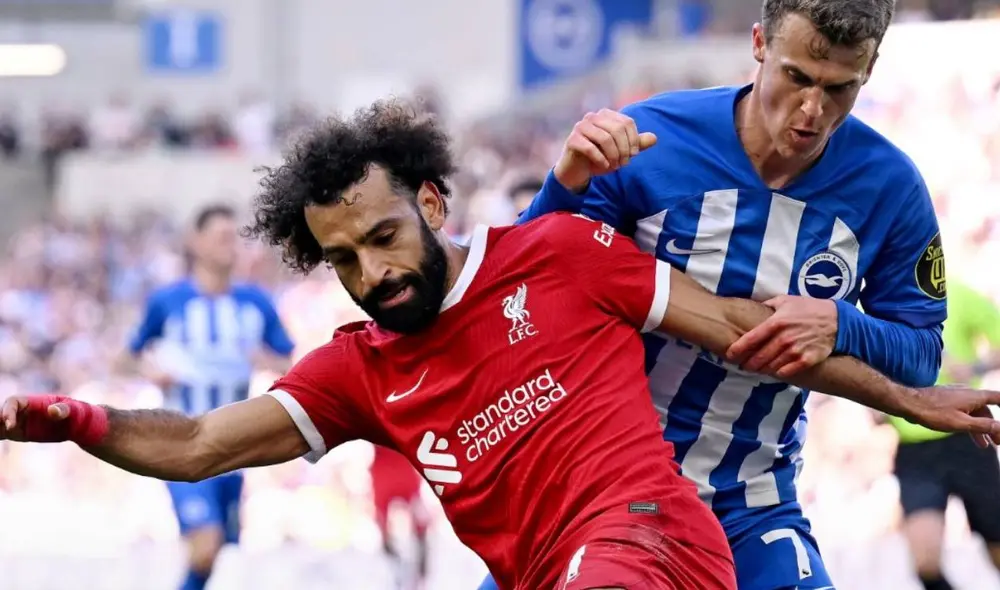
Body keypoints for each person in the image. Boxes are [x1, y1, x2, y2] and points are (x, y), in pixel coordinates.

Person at [3, 102, 998, 590]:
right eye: (344, 259)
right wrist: (70, 418)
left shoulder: (561, 253)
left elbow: (747, 329)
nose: (374, 272)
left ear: (432, 203)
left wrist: (914, 398)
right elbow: (196, 445)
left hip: (653, 540)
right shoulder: (358, 370)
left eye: (384, 237)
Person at [505, 0, 948, 588]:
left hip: (751, 504)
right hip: (604, 491)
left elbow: (921, 354)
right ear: (759, 43)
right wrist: (563, 187)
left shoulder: (891, 187)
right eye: (797, 77)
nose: (812, 110)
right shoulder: (651, 140)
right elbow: (520, 293)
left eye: (840, 88)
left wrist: (840, 324)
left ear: (870, 69)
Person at [120, 204, 295, 590]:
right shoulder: (169, 301)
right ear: (196, 242)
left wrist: (265, 360)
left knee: (212, 554)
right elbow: (126, 358)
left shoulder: (255, 303)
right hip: (180, 442)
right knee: (205, 544)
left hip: (233, 448)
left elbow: (289, 360)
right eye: (222, 237)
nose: (230, 246)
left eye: (234, 238)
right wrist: (151, 370)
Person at [889, 277, 1000, 590]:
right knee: (925, 563)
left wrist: (975, 367)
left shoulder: (956, 293)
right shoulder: (874, 305)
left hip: (967, 439)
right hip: (915, 449)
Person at [370, 444, 430, 590]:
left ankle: (405, 569)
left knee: (386, 523)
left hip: (387, 467)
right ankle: (416, 570)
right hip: (399, 465)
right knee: (418, 522)